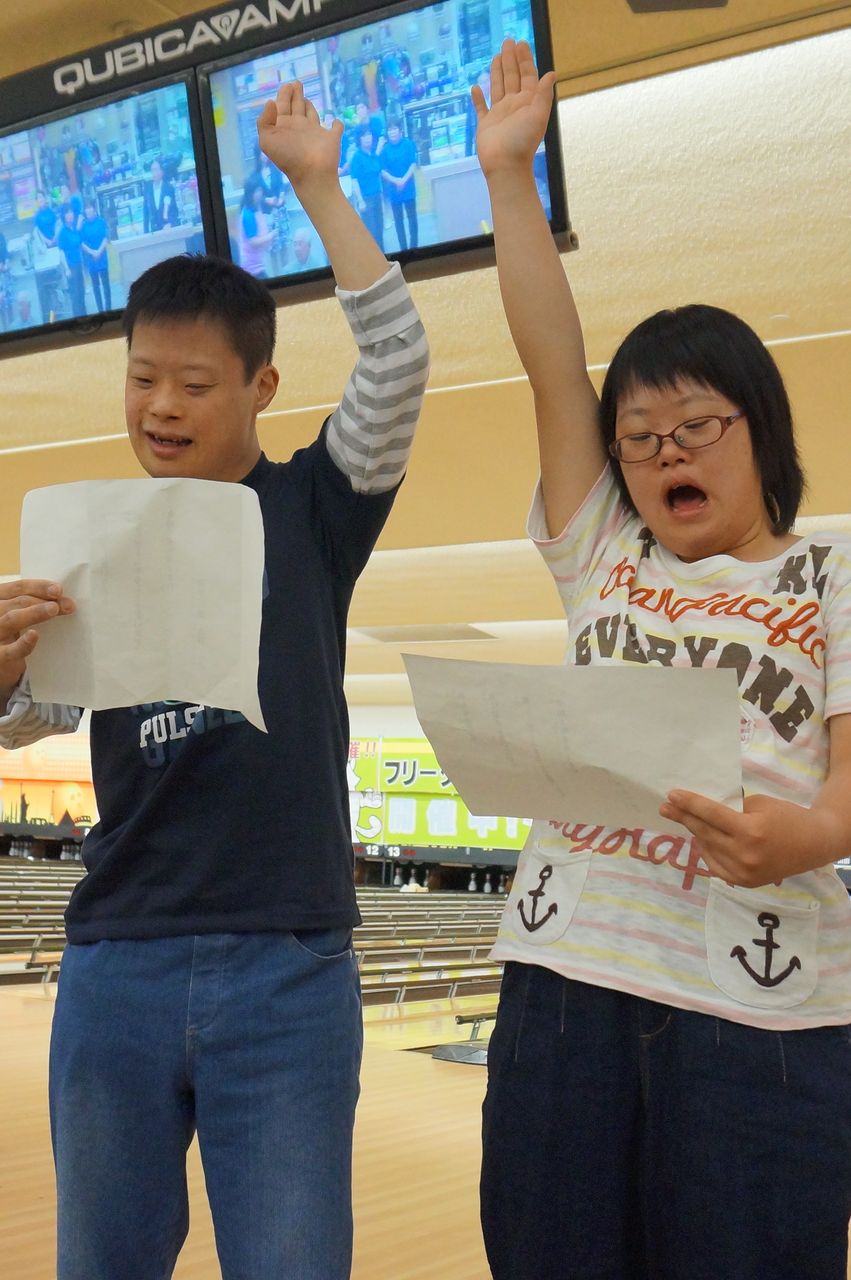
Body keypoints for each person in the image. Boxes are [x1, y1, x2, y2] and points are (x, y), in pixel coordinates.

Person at [0, 77, 429, 1280]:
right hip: (116, 957)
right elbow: (38, 714)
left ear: (259, 389)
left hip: (287, 965)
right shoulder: (94, 534)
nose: (161, 406)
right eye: (142, 377)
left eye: (194, 384)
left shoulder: (315, 507)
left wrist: (316, 184)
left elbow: (397, 358)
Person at [474, 39, 851, 1280]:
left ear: (759, 433)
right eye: (637, 436)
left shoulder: (831, 573)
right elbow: (549, 360)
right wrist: (509, 176)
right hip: (565, 978)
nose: (662, 451)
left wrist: (806, 834)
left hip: (761, 1009)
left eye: (693, 425)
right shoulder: (603, 553)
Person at [380, 119, 418, 252]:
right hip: (394, 189)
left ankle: (414, 249)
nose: (392, 132)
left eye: (394, 129)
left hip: (409, 187)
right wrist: (396, 181)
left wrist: (404, 180)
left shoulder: (408, 144)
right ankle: (404, 250)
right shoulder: (385, 149)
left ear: (400, 130)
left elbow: (413, 164)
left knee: (412, 219)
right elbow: (382, 170)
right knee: (398, 222)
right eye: (390, 130)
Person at [349, 127, 385, 250]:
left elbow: (378, 174)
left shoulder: (373, 154)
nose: (367, 138)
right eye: (364, 136)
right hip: (366, 200)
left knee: (380, 231)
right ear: (359, 139)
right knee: (372, 234)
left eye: (369, 135)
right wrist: (360, 201)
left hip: (377, 197)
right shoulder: (357, 157)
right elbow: (354, 180)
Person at [238, 176, 276, 277]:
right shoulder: (248, 214)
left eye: (260, 190)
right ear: (250, 193)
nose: (260, 193)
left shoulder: (256, 205)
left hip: (259, 261)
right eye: (257, 191)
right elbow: (253, 241)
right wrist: (271, 235)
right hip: (252, 267)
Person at [80, 199, 112, 313]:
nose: (88, 210)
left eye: (90, 207)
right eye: (86, 208)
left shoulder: (101, 221)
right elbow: (81, 242)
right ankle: (100, 311)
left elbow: (105, 237)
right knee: (96, 287)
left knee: (106, 285)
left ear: (94, 209)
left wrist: (98, 251)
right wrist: (92, 252)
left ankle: (109, 309)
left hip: (102, 257)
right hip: (91, 259)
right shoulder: (83, 225)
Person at [56, 206, 86, 318]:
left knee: (81, 292)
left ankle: (85, 316)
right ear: (64, 216)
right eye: (67, 213)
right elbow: (61, 252)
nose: (70, 215)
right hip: (71, 266)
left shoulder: (74, 229)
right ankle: (78, 319)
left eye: (71, 212)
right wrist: (66, 268)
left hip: (79, 264)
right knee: (75, 295)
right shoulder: (63, 232)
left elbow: (79, 246)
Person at [142, 158, 178, 233]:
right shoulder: (147, 189)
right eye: (152, 170)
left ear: (162, 172)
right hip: (154, 231)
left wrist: (170, 223)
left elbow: (174, 209)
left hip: (168, 228)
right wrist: (146, 231)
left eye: (155, 170)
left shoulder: (169, 188)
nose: (153, 173)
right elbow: (146, 212)